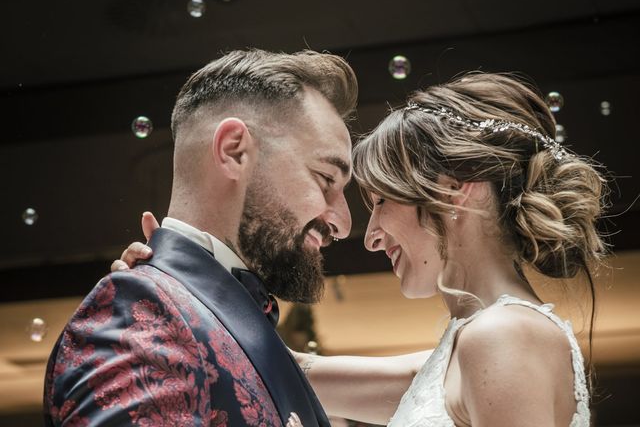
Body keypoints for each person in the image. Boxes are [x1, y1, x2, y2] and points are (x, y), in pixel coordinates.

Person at [117, 72, 607, 426]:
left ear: (460, 189)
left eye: (381, 202)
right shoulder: (460, 351)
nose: (369, 236)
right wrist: (175, 292)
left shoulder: (502, 338)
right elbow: (272, 366)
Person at [45, 48, 374, 426]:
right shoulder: (140, 318)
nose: (344, 223)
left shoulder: (231, 327)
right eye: (325, 178)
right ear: (234, 151)